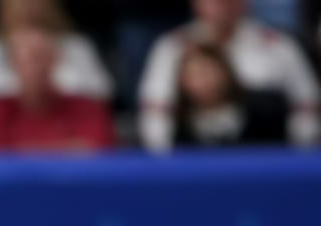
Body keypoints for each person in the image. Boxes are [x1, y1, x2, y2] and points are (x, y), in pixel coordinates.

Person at [137, 0, 319, 149]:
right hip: (193, 156)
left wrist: (296, 155)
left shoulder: (279, 45)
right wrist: (167, 164)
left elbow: (307, 105)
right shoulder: (172, 46)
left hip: (265, 155)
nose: (221, 5)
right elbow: (156, 114)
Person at [0, 26, 116, 151]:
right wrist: (67, 149)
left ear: (54, 61)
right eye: (28, 59)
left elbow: (100, 149)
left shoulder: (86, 108)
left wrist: (18, 150)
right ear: (13, 64)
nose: (36, 67)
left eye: (41, 58)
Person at [0, 0, 113, 103]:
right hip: (1, 145)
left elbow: (99, 100)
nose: (30, 4)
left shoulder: (77, 46)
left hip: (69, 142)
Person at [167, 41, 290, 146]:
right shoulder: (181, 125)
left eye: (208, 72)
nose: (203, 82)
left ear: (226, 73)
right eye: (195, 75)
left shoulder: (266, 110)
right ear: (182, 82)